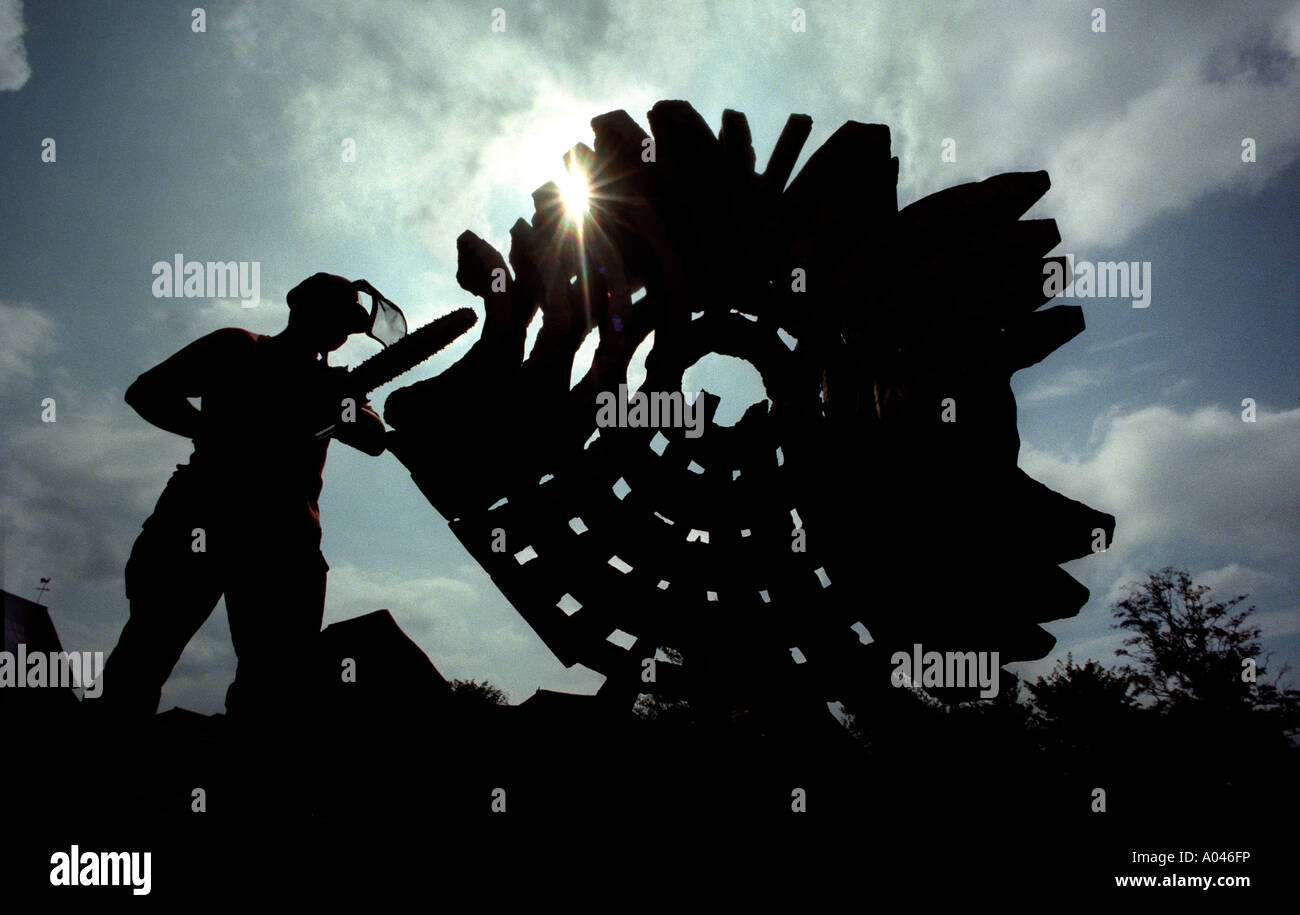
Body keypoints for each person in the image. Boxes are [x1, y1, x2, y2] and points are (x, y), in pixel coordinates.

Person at [98, 273, 390, 729]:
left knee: (274, 684)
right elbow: (147, 392)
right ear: (304, 310)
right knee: (145, 653)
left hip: (285, 537)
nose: (342, 329)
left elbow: (374, 439)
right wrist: (218, 432)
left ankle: (247, 787)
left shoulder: (331, 385)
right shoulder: (240, 348)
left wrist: (341, 404)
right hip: (203, 516)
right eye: (336, 315)